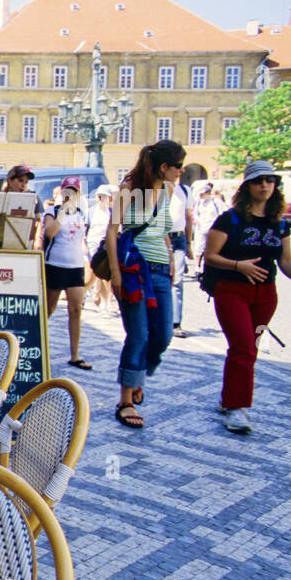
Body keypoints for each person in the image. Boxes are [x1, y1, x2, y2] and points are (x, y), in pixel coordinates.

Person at [202, 160, 291, 434]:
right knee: (243, 346)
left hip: (265, 295)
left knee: (248, 347)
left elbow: (285, 260)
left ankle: (230, 398)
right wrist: (240, 266)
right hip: (231, 291)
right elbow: (211, 255)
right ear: (247, 186)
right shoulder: (230, 219)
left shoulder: (279, 222)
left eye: (270, 180)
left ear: (276, 186)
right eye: (258, 180)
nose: (264, 185)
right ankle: (238, 408)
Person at [108, 139, 185, 429]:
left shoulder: (167, 189)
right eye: (178, 166)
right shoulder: (130, 189)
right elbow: (113, 231)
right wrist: (115, 272)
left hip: (161, 270)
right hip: (134, 269)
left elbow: (164, 229)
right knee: (138, 334)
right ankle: (126, 399)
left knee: (164, 335)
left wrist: (171, 259)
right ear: (164, 166)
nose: (181, 171)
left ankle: (138, 373)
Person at [43, 176, 92, 369]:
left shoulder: (81, 213)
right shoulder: (52, 211)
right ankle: (35, 345)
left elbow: (81, 237)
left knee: (76, 309)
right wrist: (62, 211)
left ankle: (75, 354)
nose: (70, 194)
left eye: (74, 191)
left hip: (75, 265)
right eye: (67, 191)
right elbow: (50, 232)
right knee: (49, 308)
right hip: (55, 263)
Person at [167, 171, 195, 338]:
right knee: (161, 280)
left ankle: (175, 323)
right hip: (161, 239)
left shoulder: (184, 190)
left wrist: (190, 243)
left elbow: (188, 217)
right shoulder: (157, 189)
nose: (179, 171)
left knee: (177, 280)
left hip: (178, 238)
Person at [85, 184, 116, 313]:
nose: (107, 200)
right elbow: (85, 229)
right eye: (103, 197)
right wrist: (84, 246)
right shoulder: (90, 212)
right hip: (91, 247)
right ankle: (84, 295)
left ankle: (107, 302)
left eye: (108, 197)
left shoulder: (111, 213)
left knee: (105, 277)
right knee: (89, 277)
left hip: (104, 248)